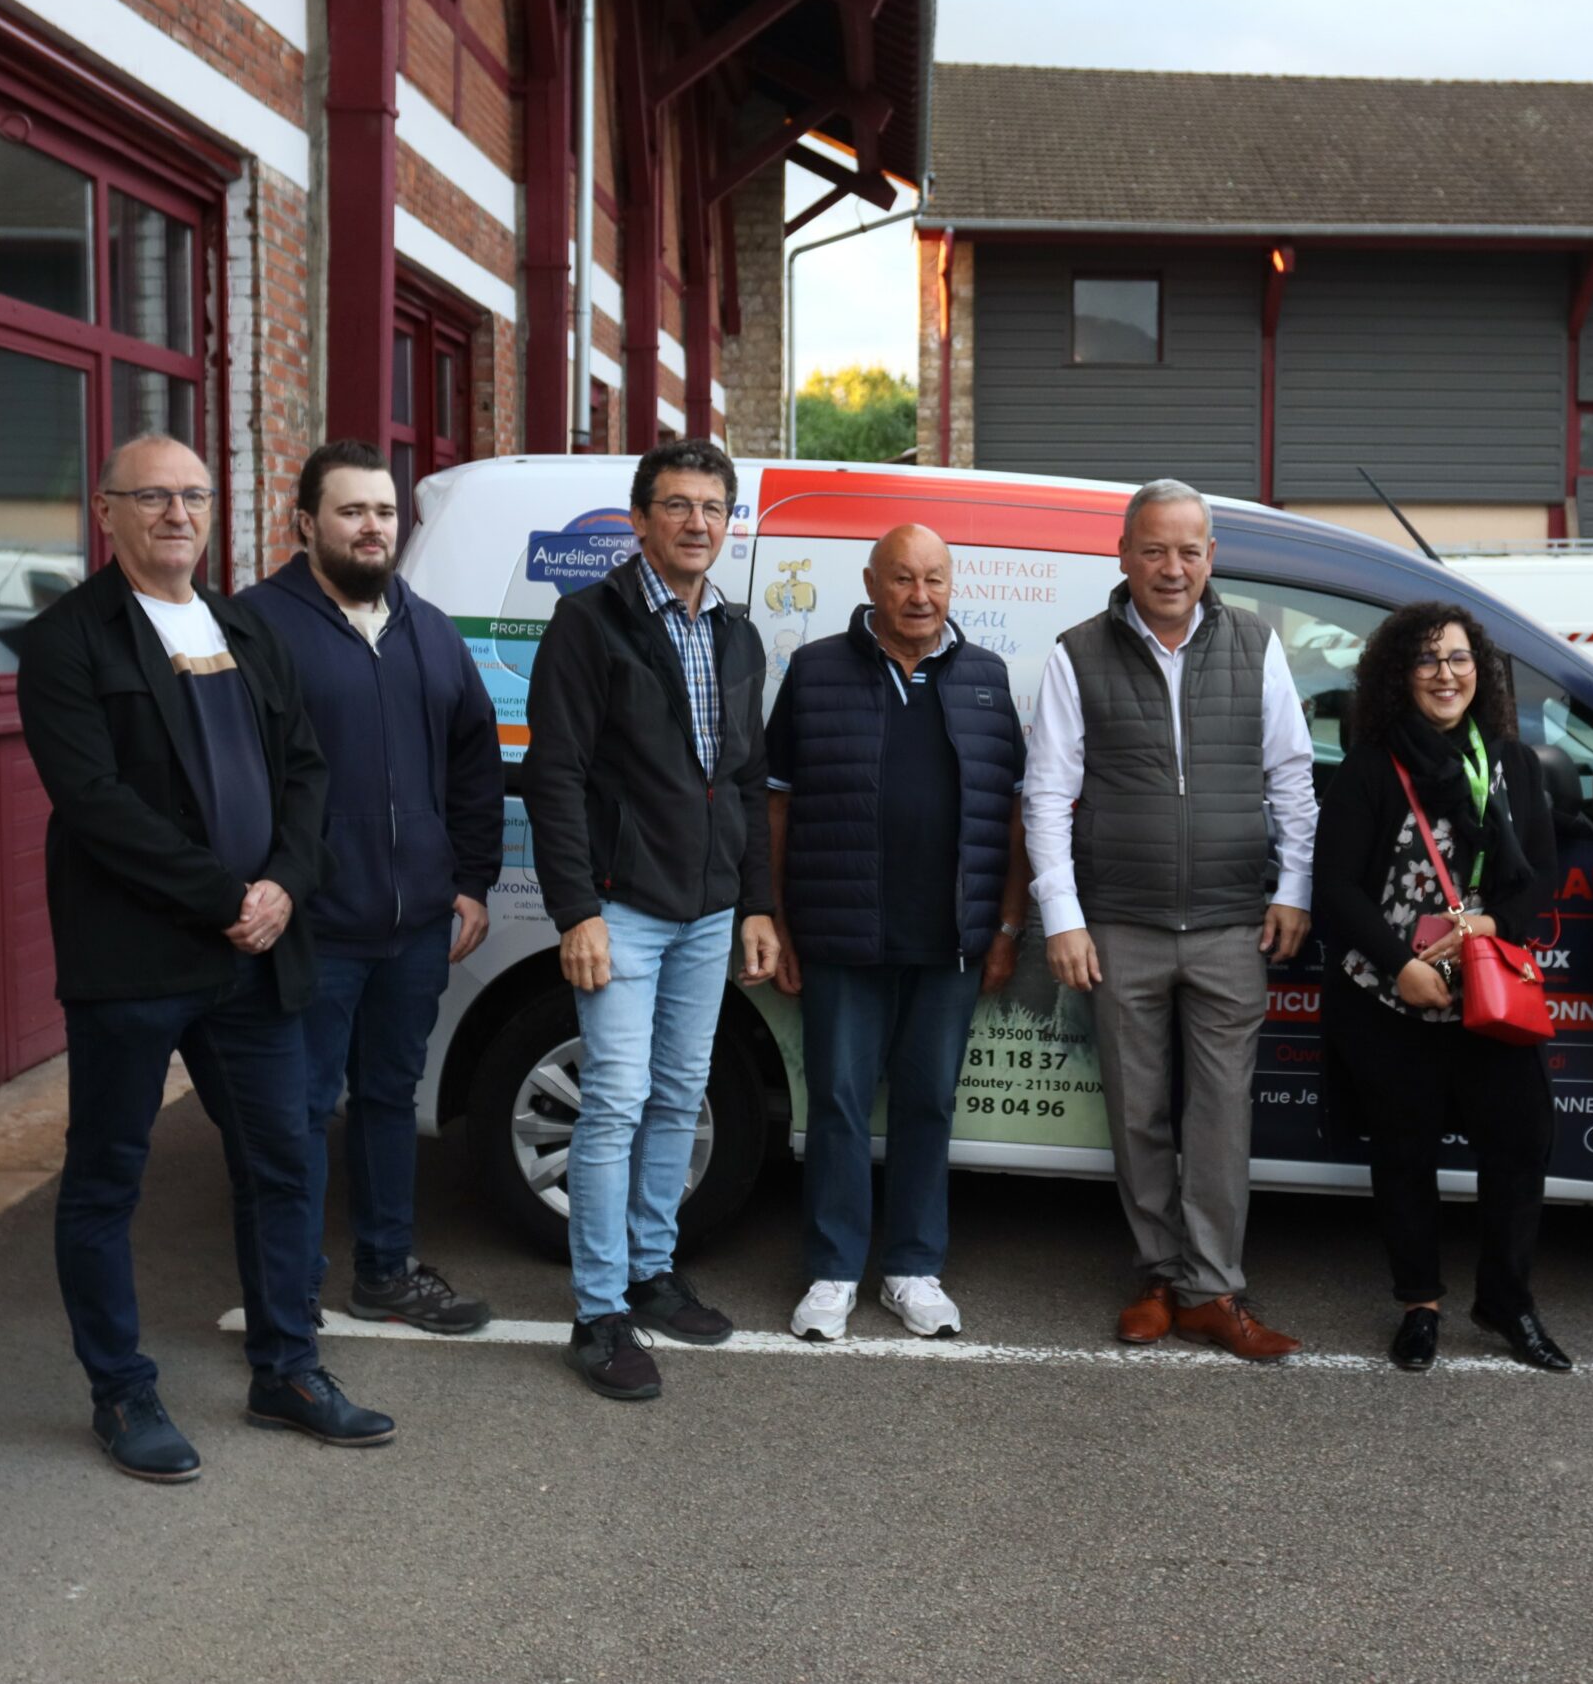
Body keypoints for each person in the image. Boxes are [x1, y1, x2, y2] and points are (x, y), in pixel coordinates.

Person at [17, 432, 393, 1484]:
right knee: (107, 1179)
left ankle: (287, 1372)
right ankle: (121, 1392)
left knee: (283, 1163)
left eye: (193, 495)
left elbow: (307, 772)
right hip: (134, 964)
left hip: (254, 960)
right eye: (152, 497)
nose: (177, 514)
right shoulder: (67, 642)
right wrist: (225, 896)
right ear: (106, 511)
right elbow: (96, 804)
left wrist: (284, 885)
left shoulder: (244, 627)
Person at [1022, 479, 1317, 1362]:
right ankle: (1158, 1275)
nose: (1172, 567)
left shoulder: (1256, 645)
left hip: (1232, 924)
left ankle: (1212, 1290)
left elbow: (1292, 776)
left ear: (1211, 558)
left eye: (1189, 550)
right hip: (1121, 924)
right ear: (1124, 555)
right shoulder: (1078, 653)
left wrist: (1294, 889)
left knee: (1220, 1117)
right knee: (1138, 1112)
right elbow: (1047, 796)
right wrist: (1063, 917)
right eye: (1154, 549)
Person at [521, 438, 781, 1401]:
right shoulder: (588, 624)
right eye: (677, 505)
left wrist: (756, 902)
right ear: (640, 520)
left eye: (713, 508)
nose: (697, 523)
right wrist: (575, 910)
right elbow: (554, 776)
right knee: (616, 1105)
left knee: (677, 1097)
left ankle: (651, 1270)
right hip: (622, 910)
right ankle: (598, 1313)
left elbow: (745, 782)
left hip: (708, 912)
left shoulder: (737, 635)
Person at [240, 439, 504, 1335]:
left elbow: (475, 760)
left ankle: (386, 1272)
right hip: (310, 927)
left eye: (384, 512)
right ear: (305, 523)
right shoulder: (257, 626)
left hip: (414, 926)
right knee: (299, 1112)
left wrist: (469, 879)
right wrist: (265, 887)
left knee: (390, 1100)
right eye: (351, 511)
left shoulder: (429, 628)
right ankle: (290, 1294)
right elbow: (230, 774)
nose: (371, 527)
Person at [765, 525, 1030, 1341]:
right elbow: (775, 803)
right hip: (840, 934)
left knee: (928, 1104)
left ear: (953, 585)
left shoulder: (986, 677)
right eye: (904, 578)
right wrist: (777, 919)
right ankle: (833, 1272)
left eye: (935, 579)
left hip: (952, 940)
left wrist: (1007, 927)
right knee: (838, 1106)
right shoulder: (815, 671)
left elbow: (1014, 812)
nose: (921, 596)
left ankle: (913, 1269)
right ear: (871, 583)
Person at [1312, 600, 1568, 1373]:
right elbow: (1336, 887)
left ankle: (1506, 1302)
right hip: (1390, 992)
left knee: (1521, 1142)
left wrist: (1494, 925)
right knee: (1404, 1153)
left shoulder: (1513, 764)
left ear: (1479, 670)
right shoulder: (1371, 766)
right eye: (1426, 660)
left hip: (1486, 989)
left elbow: (1541, 873)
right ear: (1400, 674)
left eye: (1458, 658)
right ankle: (1418, 1305)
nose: (1445, 674)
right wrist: (1404, 966)